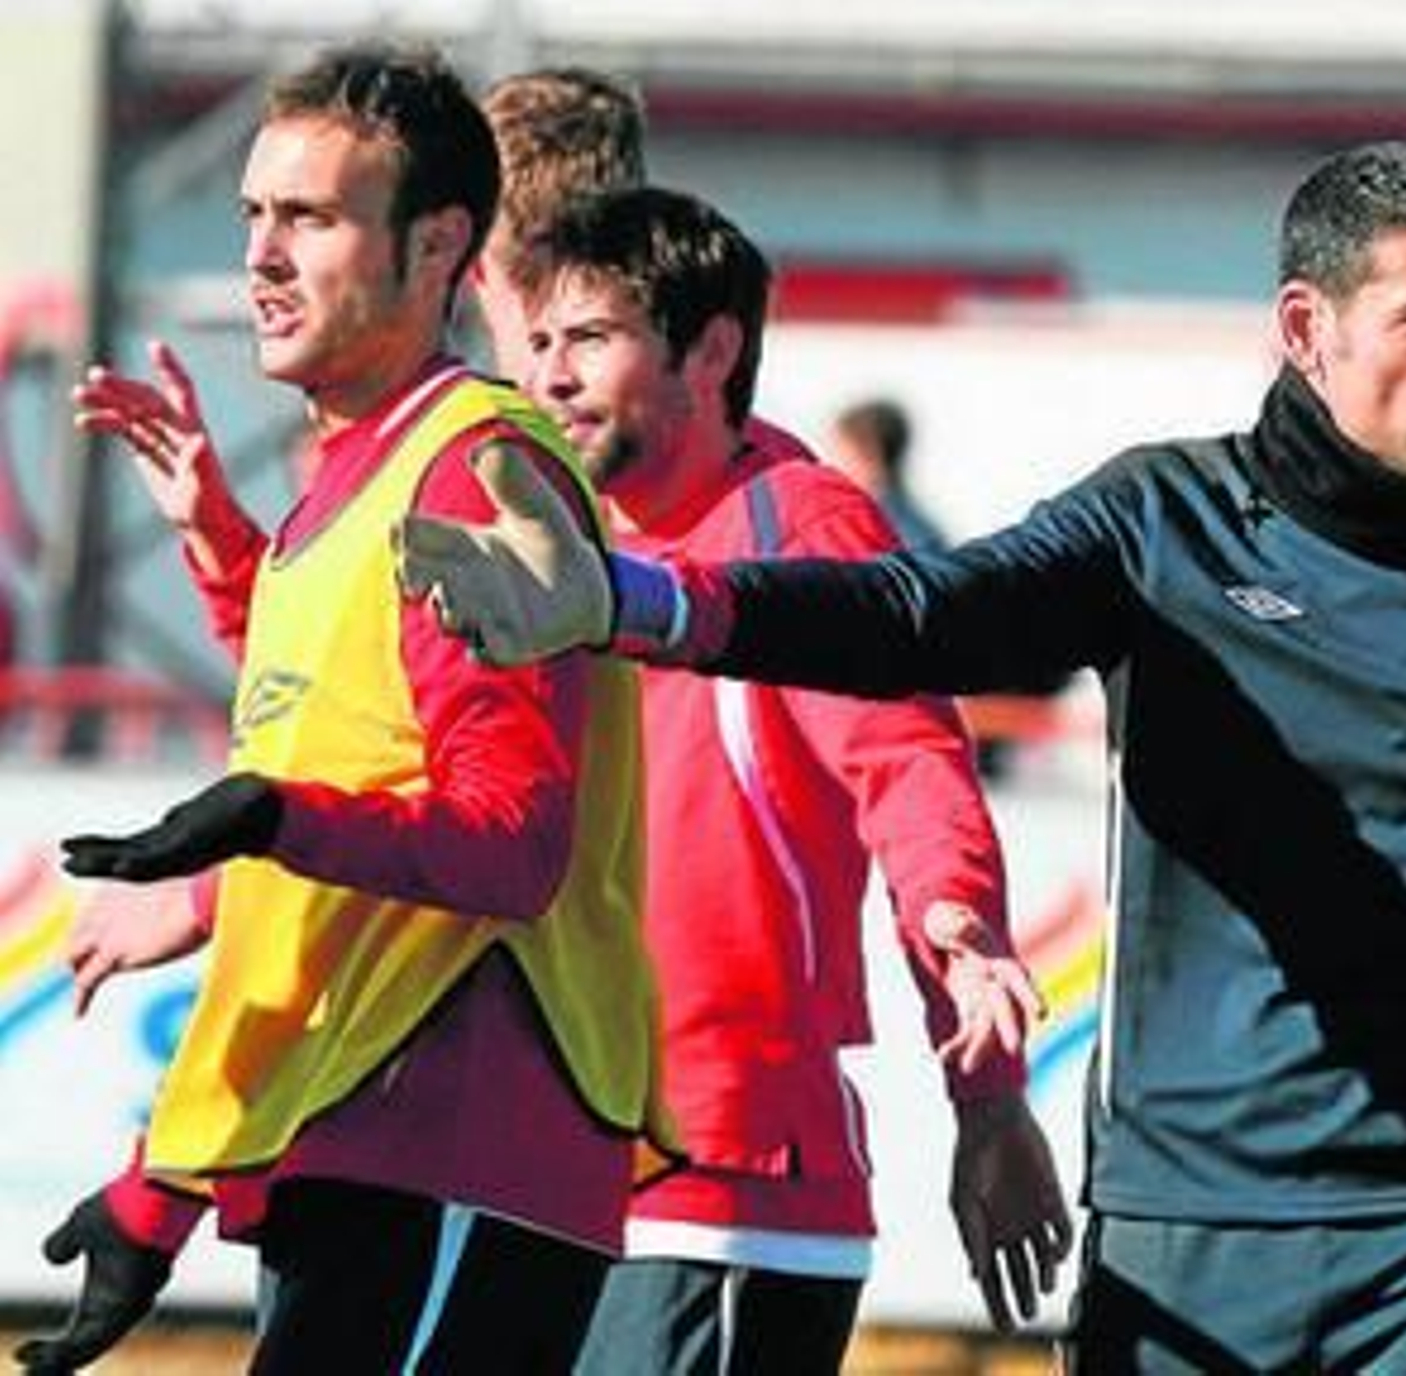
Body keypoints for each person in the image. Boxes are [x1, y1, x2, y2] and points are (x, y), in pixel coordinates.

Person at [397, 140, 1406, 1373]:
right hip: (1181, 1229)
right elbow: (923, 610)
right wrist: (631, 603)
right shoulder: (1161, 522)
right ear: (1306, 325)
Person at [18, 44, 670, 1375]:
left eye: (308, 216)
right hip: (369, 1141)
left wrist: (261, 820)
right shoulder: (370, 467)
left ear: (439, 247)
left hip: (463, 1147)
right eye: (253, 212)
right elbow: (348, 738)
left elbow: (512, 846)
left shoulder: (474, 463)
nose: (260, 252)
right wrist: (218, 541)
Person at [470, 89, 1068, 1366]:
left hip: (717, 1177)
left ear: (708, 351)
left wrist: (976, 1035)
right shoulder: (521, 520)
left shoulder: (797, 522)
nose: (542, 365)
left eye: (583, 331)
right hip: (529, 1157)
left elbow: (909, 766)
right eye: (530, 330)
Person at [825, 396, 948, 552]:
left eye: (842, 454)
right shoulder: (922, 529)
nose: (830, 466)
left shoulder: (892, 534)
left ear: (870, 455)